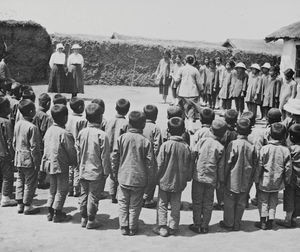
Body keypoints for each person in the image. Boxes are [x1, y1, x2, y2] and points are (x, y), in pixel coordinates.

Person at [111, 111, 155, 236]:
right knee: (135, 205)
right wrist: (150, 179)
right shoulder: (145, 141)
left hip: (124, 176)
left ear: (129, 124)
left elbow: (114, 157)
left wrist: (114, 173)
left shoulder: (122, 138)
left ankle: (123, 226)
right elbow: (150, 163)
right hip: (139, 179)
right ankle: (133, 227)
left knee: (123, 203)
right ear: (143, 125)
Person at [154, 117, 192, 237]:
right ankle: (173, 226)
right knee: (176, 204)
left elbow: (159, 164)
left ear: (168, 131)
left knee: (162, 204)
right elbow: (189, 165)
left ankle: (162, 227)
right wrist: (187, 178)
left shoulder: (165, 145)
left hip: (164, 180)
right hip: (179, 182)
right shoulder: (186, 147)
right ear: (183, 131)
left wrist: (156, 177)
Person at [77, 103, 111, 229]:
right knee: (93, 196)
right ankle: (91, 220)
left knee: (83, 194)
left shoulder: (82, 133)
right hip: (96, 172)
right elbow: (105, 156)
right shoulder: (102, 135)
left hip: (83, 169)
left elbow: (78, 151)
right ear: (101, 118)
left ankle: (83, 217)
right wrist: (106, 172)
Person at [189, 119, 227, 234]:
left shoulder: (202, 141)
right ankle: (205, 225)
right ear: (224, 133)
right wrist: (221, 180)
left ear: (210, 130)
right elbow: (220, 167)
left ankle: (197, 224)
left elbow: (193, 154)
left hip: (198, 176)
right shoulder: (221, 147)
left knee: (197, 201)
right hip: (212, 178)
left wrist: (191, 170)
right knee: (208, 202)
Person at [42, 104, 77, 222]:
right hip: (61, 165)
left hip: (49, 164)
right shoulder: (65, 133)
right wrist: (74, 162)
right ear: (65, 117)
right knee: (62, 189)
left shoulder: (49, 130)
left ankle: (50, 212)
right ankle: (58, 213)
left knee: (53, 188)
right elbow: (71, 151)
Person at [220, 118, 256, 231]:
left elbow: (228, 163)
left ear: (236, 129)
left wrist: (223, 178)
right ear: (249, 131)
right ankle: (237, 223)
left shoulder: (233, 144)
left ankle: (228, 223)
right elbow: (255, 164)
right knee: (241, 202)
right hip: (246, 180)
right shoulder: (252, 146)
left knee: (229, 202)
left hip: (232, 179)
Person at [255, 123, 292, 230]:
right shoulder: (285, 150)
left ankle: (262, 222)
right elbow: (288, 168)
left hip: (264, 181)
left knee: (263, 201)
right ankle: (270, 221)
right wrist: (287, 180)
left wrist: (257, 179)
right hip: (277, 181)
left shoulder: (264, 149)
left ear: (269, 135)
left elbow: (259, 166)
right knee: (273, 201)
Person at [13, 99, 42, 215]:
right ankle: (28, 205)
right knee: (30, 182)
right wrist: (37, 162)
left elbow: (14, 142)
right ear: (31, 112)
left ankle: (19, 204)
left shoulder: (17, 124)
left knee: (20, 179)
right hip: (29, 158)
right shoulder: (32, 127)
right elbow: (35, 147)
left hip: (18, 156)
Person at [105, 98, 130, 203]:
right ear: (128, 110)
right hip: (120, 153)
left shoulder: (109, 121)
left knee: (112, 175)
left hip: (108, 152)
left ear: (116, 108)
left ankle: (112, 194)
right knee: (119, 174)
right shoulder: (126, 123)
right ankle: (118, 195)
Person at [277, 124, 300, 228]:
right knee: (298, 198)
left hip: (291, 178)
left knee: (289, 198)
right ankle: (295, 218)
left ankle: (288, 219)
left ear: (291, 137)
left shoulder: (290, 149)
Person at [142, 104, 162, 209]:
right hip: (151, 158)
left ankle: (140, 197)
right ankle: (148, 199)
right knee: (151, 179)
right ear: (156, 116)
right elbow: (157, 145)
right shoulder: (156, 128)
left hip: (140, 156)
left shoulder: (140, 125)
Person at [66, 97, 86, 197]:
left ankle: (69, 188)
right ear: (80, 107)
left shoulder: (68, 118)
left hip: (68, 146)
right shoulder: (82, 120)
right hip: (78, 146)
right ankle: (76, 189)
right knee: (77, 168)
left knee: (70, 168)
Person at [32, 93, 53, 189]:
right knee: (42, 163)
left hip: (33, 142)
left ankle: (35, 179)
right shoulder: (46, 117)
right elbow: (48, 132)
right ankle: (41, 181)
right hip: (42, 144)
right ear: (48, 103)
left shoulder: (33, 114)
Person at [176, 55, 203, 126]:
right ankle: (190, 127)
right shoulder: (195, 70)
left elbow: (177, 80)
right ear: (193, 61)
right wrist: (201, 90)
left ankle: (181, 127)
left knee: (182, 111)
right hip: (193, 93)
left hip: (182, 93)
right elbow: (199, 83)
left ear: (185, 61)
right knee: (191, 110)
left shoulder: (181, 69)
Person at [0, 97, 17, 207]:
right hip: (4, 153)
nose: (10, 108)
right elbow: (10, 141)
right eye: (8, 106)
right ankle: (6, 197)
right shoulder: (6, 122)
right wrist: (12, 155)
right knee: (8, 175)